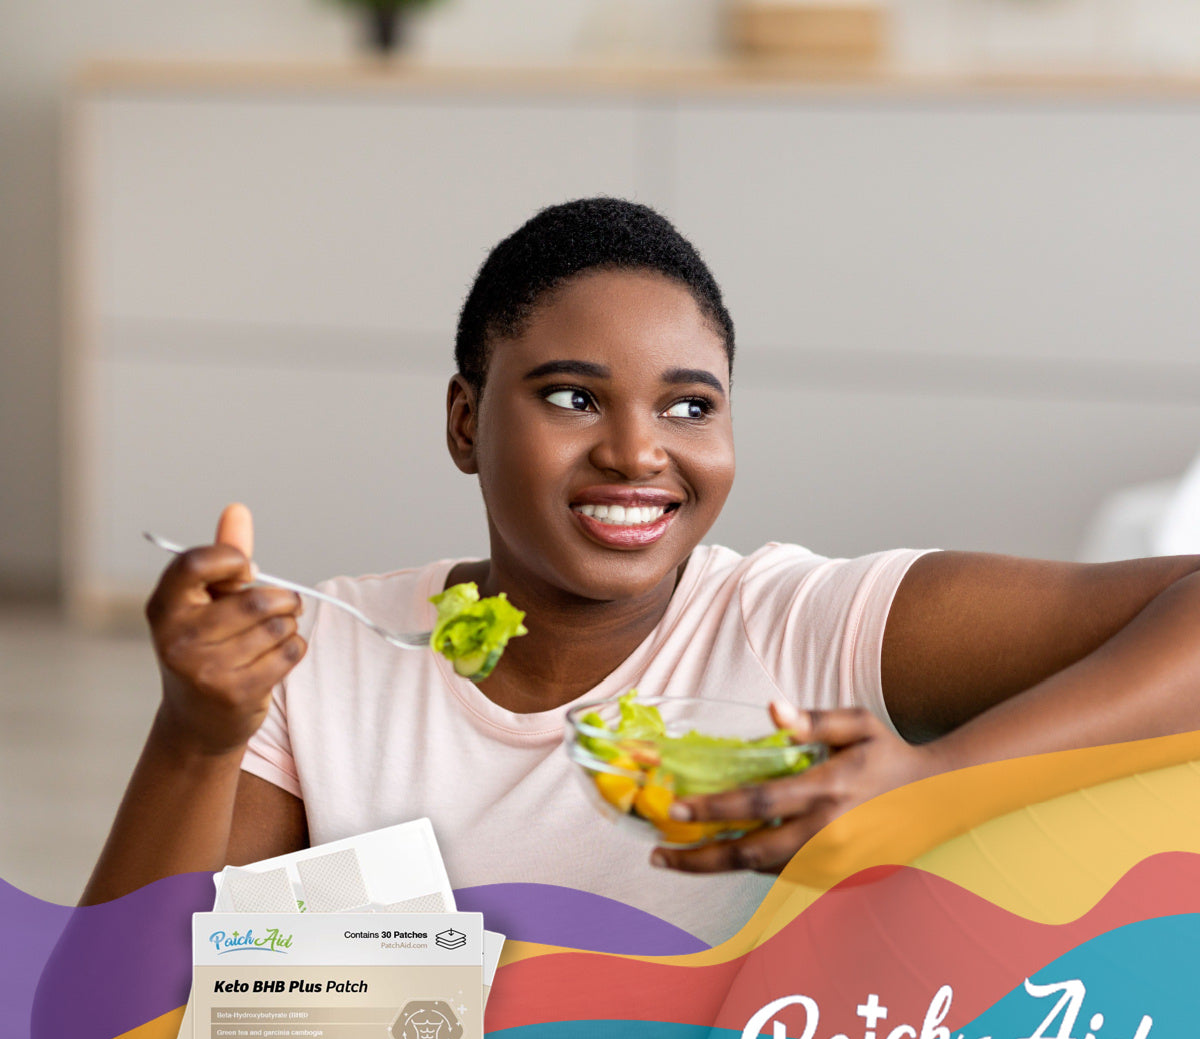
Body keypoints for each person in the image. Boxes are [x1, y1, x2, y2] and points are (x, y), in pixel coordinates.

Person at [83, 198, 1200, 948]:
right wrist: (196, 732)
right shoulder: (321, 662)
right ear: (467, 422)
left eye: (688, 405)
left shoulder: (811, 627)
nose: (637, 451)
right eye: (572, 396)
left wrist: (931, 780)